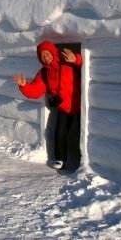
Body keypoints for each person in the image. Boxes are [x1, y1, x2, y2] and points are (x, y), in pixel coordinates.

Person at [13, 41, 83, 173]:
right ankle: (61, 159)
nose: (46, 57)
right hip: (64, 107)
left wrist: (76, 59)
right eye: (42, 56)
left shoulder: (67, 62)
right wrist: (24, 85)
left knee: (80, 132)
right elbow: (35, 90)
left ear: (53, 52)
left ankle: (80, 159)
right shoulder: (44, 73)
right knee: (61, 132)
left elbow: (85, 66)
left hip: (80, 104)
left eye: (47, 53)